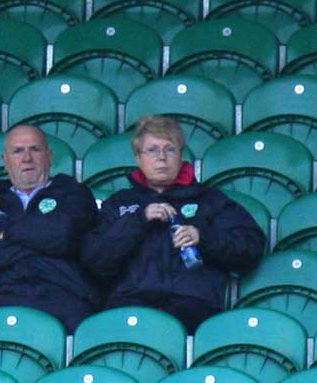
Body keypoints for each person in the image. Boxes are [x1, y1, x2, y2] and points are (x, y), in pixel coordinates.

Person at [81, 115, 266, 334]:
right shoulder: (120, 203)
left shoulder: (209, 200)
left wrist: (203, 238)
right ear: (138, 158)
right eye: (152, 150)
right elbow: (94, 259)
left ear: (181, 156)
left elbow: (251, 247)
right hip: (128, 304)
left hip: (192, 307)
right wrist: (139, 221)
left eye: (169, 149)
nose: (161, 157)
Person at [0, 124, 99, 333]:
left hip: (61, 297)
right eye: (17, 151)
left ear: (49, 156)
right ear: (5, 162)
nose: (27, 158)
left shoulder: (74, 195)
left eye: (34, 149)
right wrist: (38, 241)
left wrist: (5, 236)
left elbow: (61, 235)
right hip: (2, 299)